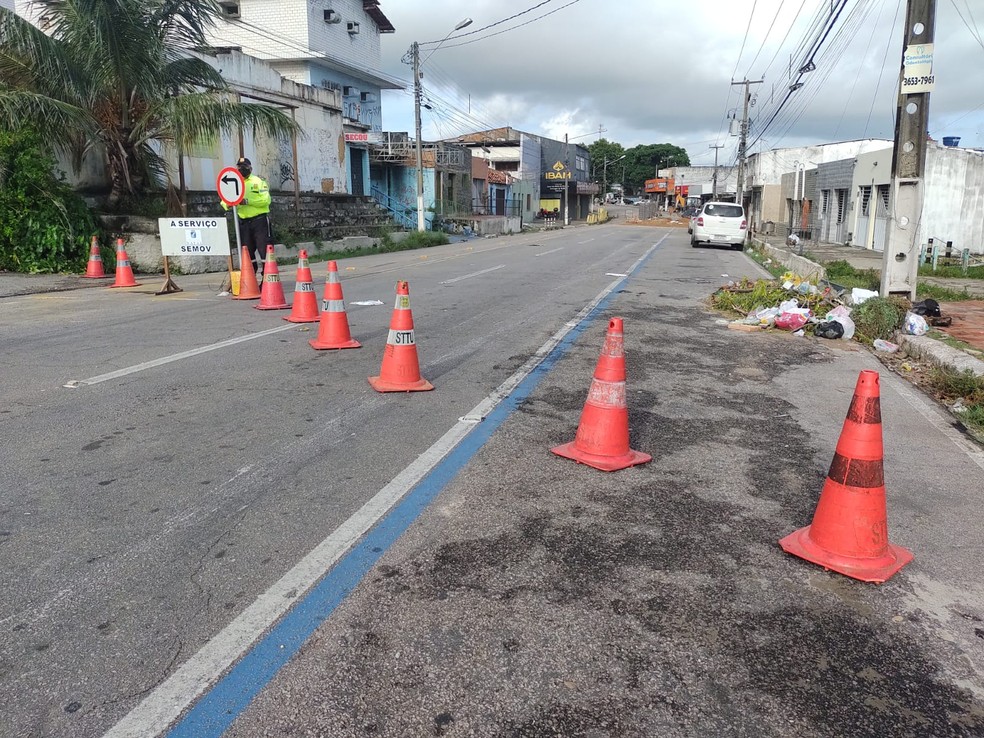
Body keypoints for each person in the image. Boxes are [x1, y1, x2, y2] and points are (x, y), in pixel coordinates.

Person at [221, 157, 272, 277]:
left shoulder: (258, 181)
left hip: (259, 221)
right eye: (240, 168)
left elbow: (266, 200)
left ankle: (267, 277)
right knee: (246, 251)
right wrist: (227, 204)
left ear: (250, 168)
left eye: (245, 168)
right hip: (244, 222)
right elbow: (224, 200)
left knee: (264, 250)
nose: (242, 170)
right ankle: (250, 276)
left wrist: (247, 201)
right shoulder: (234, 182)